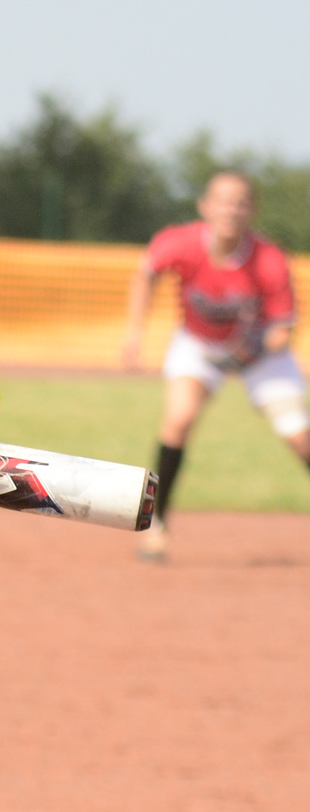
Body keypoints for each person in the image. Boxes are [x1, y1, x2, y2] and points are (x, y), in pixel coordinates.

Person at [122, 170, 309, 559]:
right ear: (204, 206)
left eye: (241, 202)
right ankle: (157, 526)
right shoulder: (182, 242)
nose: (231, 209)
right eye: (222, 200)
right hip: (199, 345)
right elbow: (146, 273)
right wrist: (135, 334)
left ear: (252, 210)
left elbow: (281, 331)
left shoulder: (269, 259)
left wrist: (242, 356)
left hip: (259, 354)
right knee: (179, 419)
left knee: (299, 437)